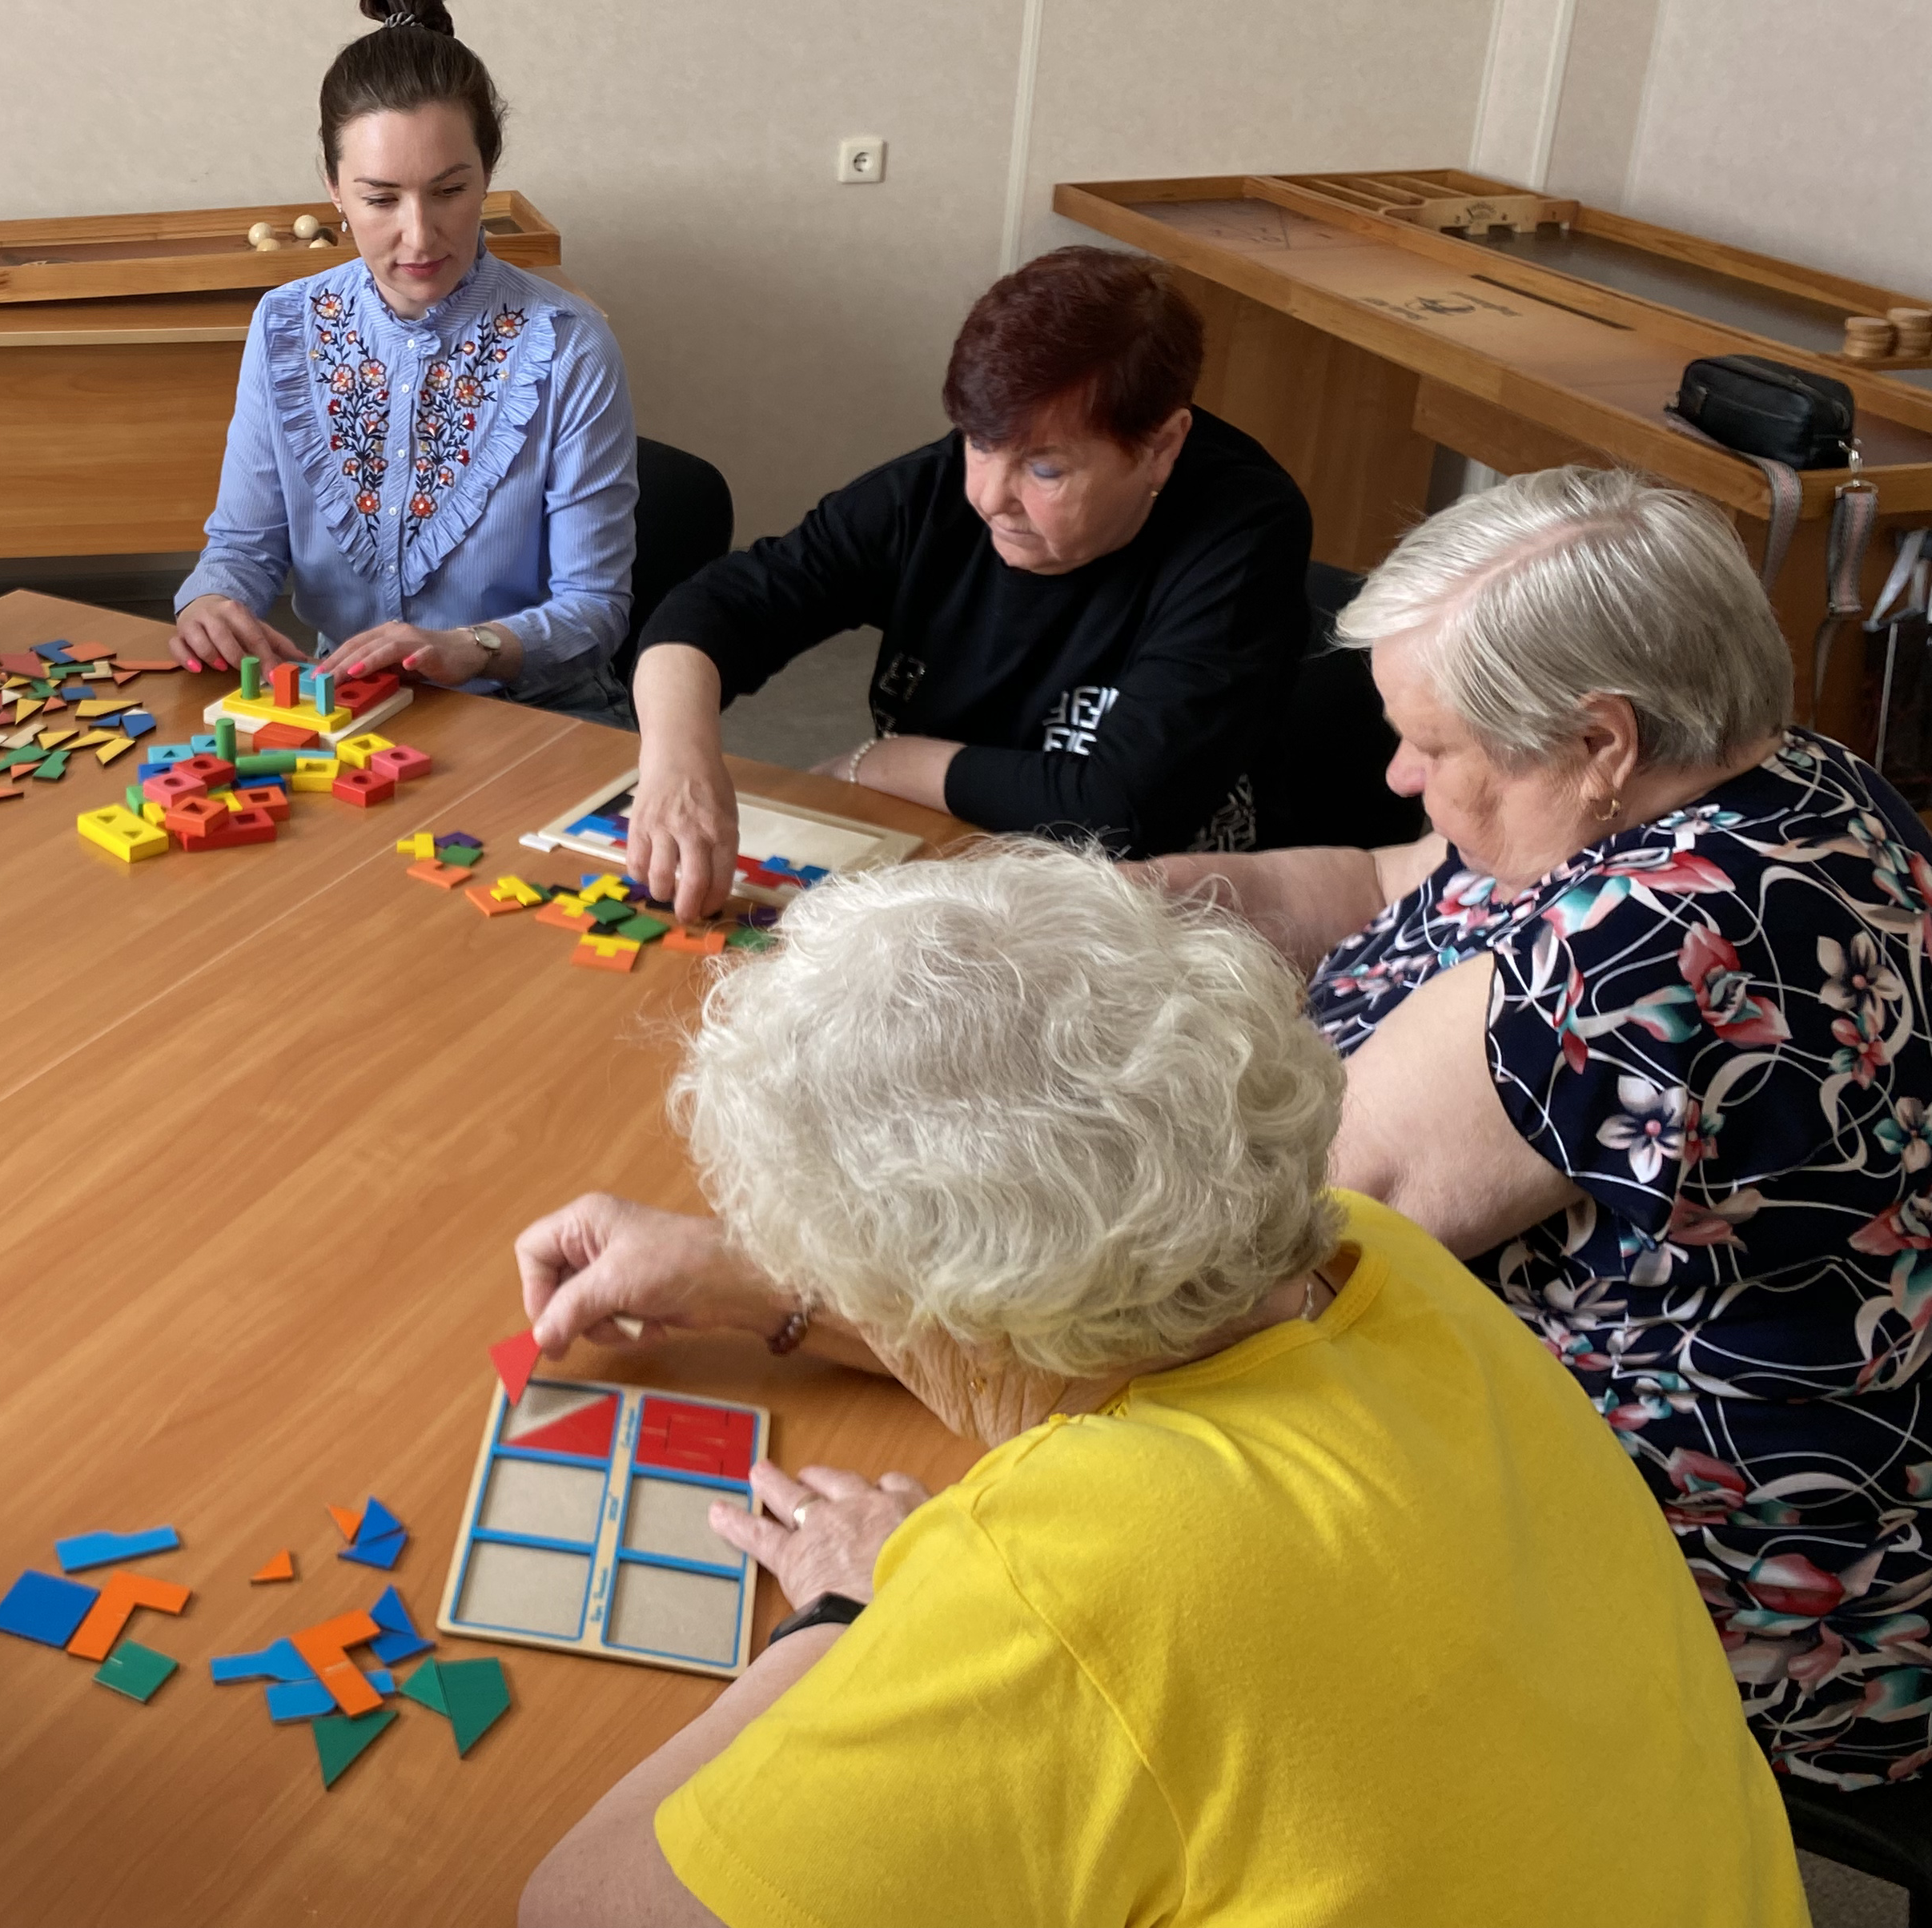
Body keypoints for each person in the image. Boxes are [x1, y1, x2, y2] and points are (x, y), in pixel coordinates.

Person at [510, 846, 1801, 1927]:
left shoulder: (1061, 1580)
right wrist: (752, 1281)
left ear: (945, 1312)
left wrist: (846, 1615)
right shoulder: (1372, 1255)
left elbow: (570, 1910)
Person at [1147, 464, 1932, 1788]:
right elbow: (1382, 881)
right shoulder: (1771, 767)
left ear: (1599, 737)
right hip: (1780, 1479)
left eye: (1433, 745)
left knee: (1103, 1523)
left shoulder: (1646, 953)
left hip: (1727, 1578)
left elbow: (1245, 1251)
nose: (1397, 772)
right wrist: (1128, 899)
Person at [625, 246, 1311, 914]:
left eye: (1045, 470)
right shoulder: (930, 492)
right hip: (945, 860)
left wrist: (882, 761)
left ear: (1160, 448)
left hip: (1149, 902)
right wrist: (676, 762)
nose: (989, 496)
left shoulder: (1245, 532)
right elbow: (718, 608)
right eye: (979, 444)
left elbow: (1120, 812)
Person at [173, 0, 637, 721]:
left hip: (539, 710)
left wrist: (473, 647)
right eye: (381, 199)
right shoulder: (286, 325)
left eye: (450, 191)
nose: (419, 237)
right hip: (347, 709)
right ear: (334, 189)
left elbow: (596, 606)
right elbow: (244, 543)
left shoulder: (568, 346)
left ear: (487, 172)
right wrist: (212, 599)